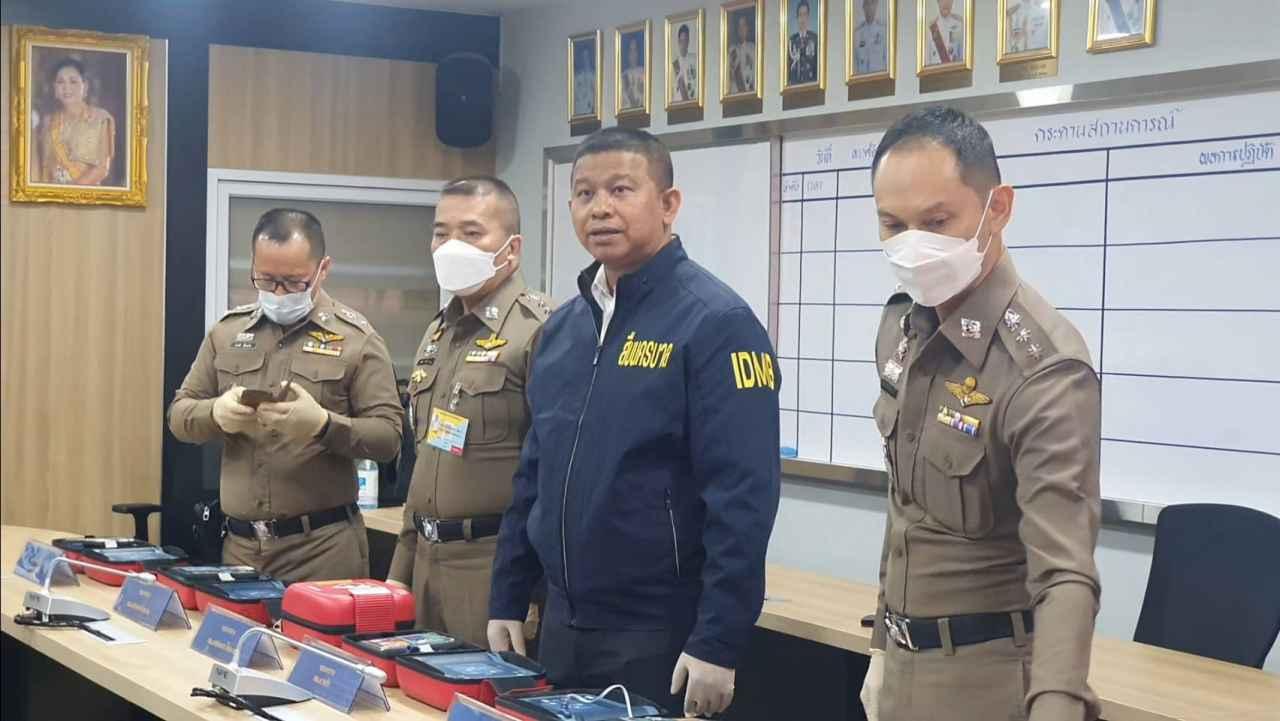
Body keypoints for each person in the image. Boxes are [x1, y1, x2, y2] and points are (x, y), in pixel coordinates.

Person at [486, 128, 781, 717]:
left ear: (668, 204)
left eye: (621, 190)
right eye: (584, 193)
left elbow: (743, 499)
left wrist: (718, 641)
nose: (600, 208)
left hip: (658, 634)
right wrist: (507, 595)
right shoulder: (562, 330)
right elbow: (533, 478)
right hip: (563, 627)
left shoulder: (716, 324)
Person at [857, 106, 1101, 721]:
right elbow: (903, 508)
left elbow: (1065, 573)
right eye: (892, 224)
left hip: (990, 682)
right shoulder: (903, 329)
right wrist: (881, 645)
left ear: (998, 208)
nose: (913, 246)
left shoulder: (1042, 367)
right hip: (902, 670)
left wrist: (1057, 705)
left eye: (937, 222)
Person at [169, 209, 404, 583]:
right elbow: (179, 415)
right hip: (240, 549)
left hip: (321, 551)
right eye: (266, 280)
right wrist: (215, 413)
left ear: (323, 270)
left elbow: (388, 438)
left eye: (294, 282)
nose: (278, 293)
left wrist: (322, 425)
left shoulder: (357, 340)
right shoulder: (227, 333)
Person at [385, 177, 552, 650]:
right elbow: (426, 460)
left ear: (511, 249)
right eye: (441, 233)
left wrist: (527, 591)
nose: (451, 246)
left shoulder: (540, 330)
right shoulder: (439, 332)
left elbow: (554, 475)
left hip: (493, 568)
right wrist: (399, 570)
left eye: (472, 233)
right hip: (425, 562)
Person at [36, 57, 115, 186]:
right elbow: (44, 167)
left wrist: (71, 191)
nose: (66, 87)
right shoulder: (48, 122)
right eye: (60, 82)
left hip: (86, 194)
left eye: (73, 82)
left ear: (85, 86)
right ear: (54, 88)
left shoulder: (100, 119)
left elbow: (101, 169)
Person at [787, 0, 819, 85]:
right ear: (797, 18)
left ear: (808, 17)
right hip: (794, 85)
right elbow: (788, 66)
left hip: (811, 84)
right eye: (800, 15)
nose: (802, 19)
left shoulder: (815, 38)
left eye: (805, 14)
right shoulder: (792, 40)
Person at [925, 0, 965, 66]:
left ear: (952, 2)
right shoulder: (931, 28)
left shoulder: (960, 25)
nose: (946, 3)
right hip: (936, 71)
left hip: (955, 71)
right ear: (938, 2)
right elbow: (927, 61)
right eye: (943, 0)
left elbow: (963, 57)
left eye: (949, 0)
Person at [854, 0, 888, 75]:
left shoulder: (884, 31)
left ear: (876, 6)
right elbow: (855, 63)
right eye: (867, 4)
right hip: (862, 78)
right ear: (863, 7)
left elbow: (888, 61)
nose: (869, 8)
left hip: (880, 78)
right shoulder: (857, 34)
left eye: (872, 3)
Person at [728, 11, 756, 94]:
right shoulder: (732, 50)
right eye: (739, 26)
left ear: (747, 28)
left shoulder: (753, 48)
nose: (741, 29)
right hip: (736, 93)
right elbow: (731, 75)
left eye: (744, 25)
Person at [671, 24, 697, 103]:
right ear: (678, 42)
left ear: (688, 41)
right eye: (681, 41)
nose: (683, 44)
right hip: (681, 103)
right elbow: (682, 87)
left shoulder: (695, 59)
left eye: (685, 41)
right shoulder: (676, 63)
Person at [622, 37, 646, 109]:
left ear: (638, 53)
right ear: (627, 54)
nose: (633, 54)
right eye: (631, 51)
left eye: (635, 50)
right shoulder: (623, 76)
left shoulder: (644, 71)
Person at [574, 45, 596, 116]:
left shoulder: (594, 75)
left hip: (592, 110)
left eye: (587, 57)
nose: (585, 60)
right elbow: (576, 94)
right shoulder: (578, 77)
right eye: (583, 57)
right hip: (581, 109)